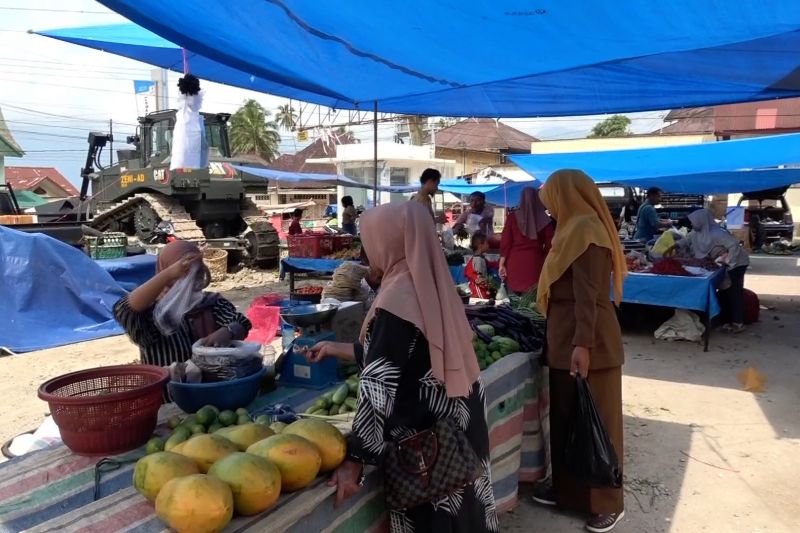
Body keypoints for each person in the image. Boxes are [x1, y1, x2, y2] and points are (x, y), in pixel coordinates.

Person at [306, 201, 498, 532]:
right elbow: (411, 357)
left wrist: (356, 459)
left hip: (429, 450)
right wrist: (340, 349)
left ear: (386, 241)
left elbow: (377, 385)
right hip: (464, 431)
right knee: (468, 518)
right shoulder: (433, 283)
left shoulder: (397, 298)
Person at [534, 169, 627, 533]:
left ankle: (608, 501)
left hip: (588, 342)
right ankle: (569, 491)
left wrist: (583, 345)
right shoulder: (569, 229)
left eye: (552, 201)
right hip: (563, 339)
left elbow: (589, 296)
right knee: (567, 419)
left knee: (599, 422)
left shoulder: (587, 230)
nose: (550, 210)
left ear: (566, 195)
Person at [113, 240, 252, 367]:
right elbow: (125, 310)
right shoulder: (155, 314)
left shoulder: (210, 303)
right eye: (184, 274)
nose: (190, 279)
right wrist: (169, 274)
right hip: (171, 389)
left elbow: (240, 321)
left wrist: (228, 331)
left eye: (195, 271)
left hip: (212, 387)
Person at [686, 208, 750, 333]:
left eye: (694, 222)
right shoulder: (696, 233)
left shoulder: (717, 233)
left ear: (701, 221)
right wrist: (677, 243)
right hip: (722, 263)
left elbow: (734, 246)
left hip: (737, 263)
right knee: (724, 291)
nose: (692, 224)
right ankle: (725, 319)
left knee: (733, 292)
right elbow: (686, 240)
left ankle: (738, 323)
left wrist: (728, 263)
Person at [498, 187, 555, 294]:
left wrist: (501, 265)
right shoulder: (545, 220)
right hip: (535, 263)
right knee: (531, 303)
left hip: (514, 263)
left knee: (513, 302)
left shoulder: (512, 218)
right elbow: (550, 246)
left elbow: (506, 243)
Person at [465, 232, 494, 299]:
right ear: (481, 245)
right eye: (487, 243)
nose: (489, 245)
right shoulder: (478, 260)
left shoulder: (480, 258)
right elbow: (479, 278)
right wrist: (486, 287)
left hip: (481, 289)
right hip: (479, 290)